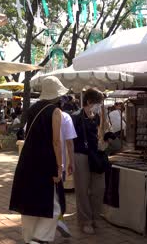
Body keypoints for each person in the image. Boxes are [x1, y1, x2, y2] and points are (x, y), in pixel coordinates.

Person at [9, 76, 67, 244]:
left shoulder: (33, 108)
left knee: (29, 202)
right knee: (53, 206)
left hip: (28, 159)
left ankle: (29, 239)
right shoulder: (56, 111)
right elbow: (56, 141)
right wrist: (59, 165)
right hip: (45, 160)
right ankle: (39, 240)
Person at [71, 88, 105, 235]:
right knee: (82, 190)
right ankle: (85, 221)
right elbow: (70, 140)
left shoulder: (97, 116)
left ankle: (95, 217)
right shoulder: (76, 117)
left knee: (99, 188)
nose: (100, 106)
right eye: (99, 103)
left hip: (95, 155)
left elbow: (99, 134)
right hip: (80, 155)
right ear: (89, 102)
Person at [56, 96, 77, 238]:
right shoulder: (65, 117)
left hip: (40, 164)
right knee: (58, 192)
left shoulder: (37, 113)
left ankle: (57, 218)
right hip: (59, 164)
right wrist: (72, 162)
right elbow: (69, 142)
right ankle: (58, 218)